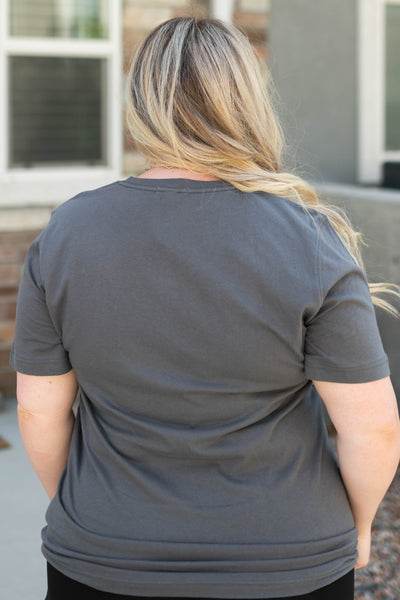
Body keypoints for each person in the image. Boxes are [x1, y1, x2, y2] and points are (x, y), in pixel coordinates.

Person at [10, 17, 400, 600]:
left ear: (140, 103)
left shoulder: (68, 231)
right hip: (287, 562)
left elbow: (39, 412)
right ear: (247, 101)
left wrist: (86, 512)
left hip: (104, 557)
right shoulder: (310, 237)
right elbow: (373, 426)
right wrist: (362, 526)